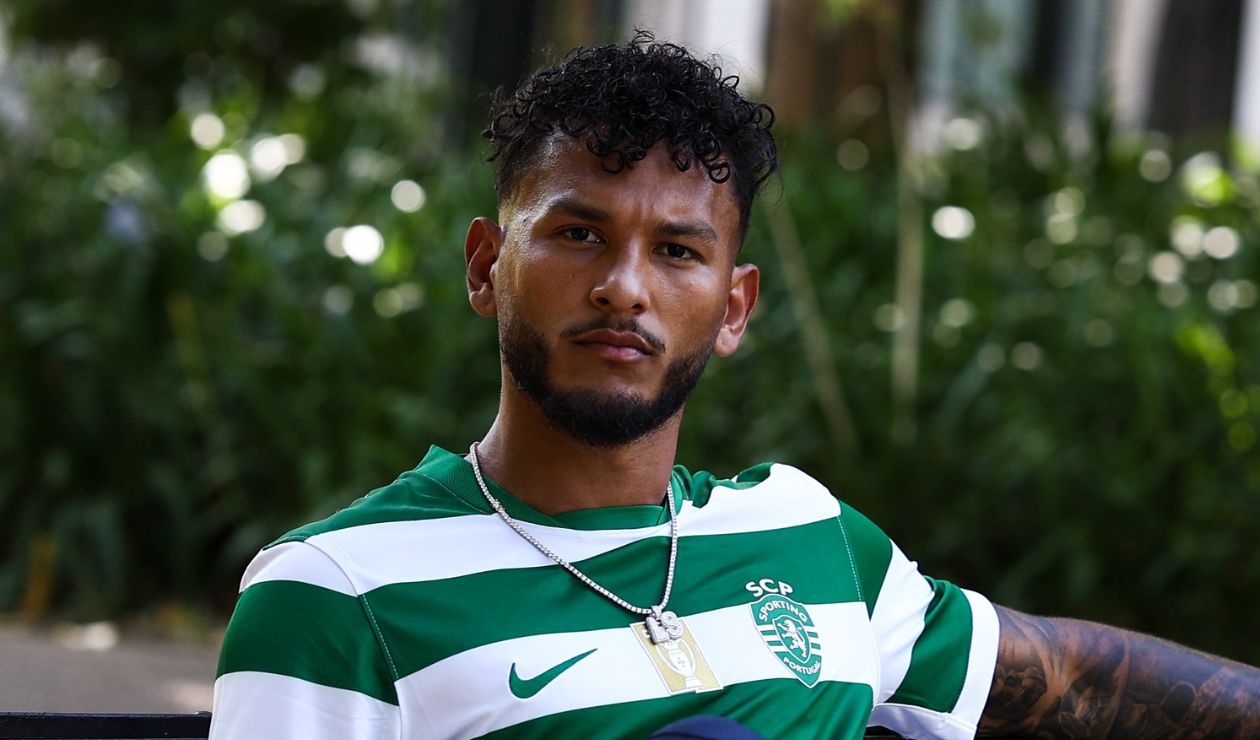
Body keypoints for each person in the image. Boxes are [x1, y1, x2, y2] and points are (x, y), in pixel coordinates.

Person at [209, 32, 1260, 739]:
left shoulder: (811, 538)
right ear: (487, 266)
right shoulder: (336, 594)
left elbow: (1072, 680)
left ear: (735, 306)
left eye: (677, 250)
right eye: (578, 234)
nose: (624, 287)